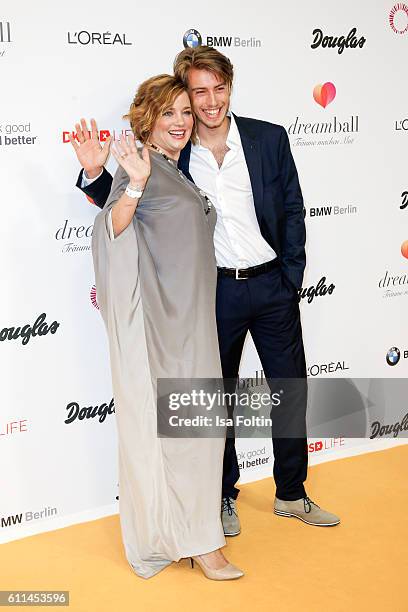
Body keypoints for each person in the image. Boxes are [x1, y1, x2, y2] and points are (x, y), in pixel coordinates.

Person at [74, 47, 340, 535]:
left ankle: (291, 492)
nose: (210, 101)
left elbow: (293, 209)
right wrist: (94, 175)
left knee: (289, 390)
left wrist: (291, 279)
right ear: (186, 96)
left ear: (230, 87)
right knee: (217, 400)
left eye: (218, 88)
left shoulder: (268, 138)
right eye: (199, 91)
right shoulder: (176, 146)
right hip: (214, 294)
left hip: (272, 286)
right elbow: (135, 194)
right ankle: (221, 497)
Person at [74, 74, 244, 580]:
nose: (181, 122)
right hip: (165, 327)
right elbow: (114, 227)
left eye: (185, 113)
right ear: (147, 118)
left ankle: (188, 533)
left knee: (198, 434)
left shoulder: (174, 169)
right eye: (169, 113)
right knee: (191, 437)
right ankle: (202, 545)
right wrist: (128, 183)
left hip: (193, 319)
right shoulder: (142, 171)